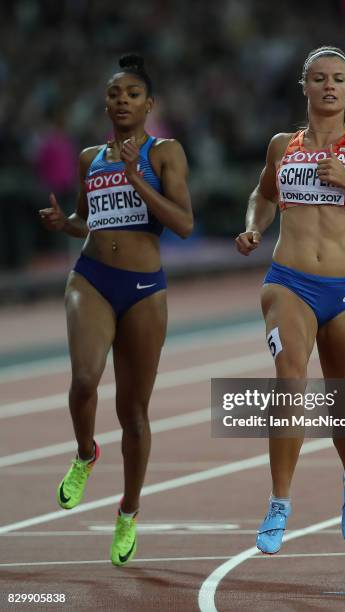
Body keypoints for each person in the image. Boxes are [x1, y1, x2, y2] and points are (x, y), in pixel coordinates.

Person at [235, 46, 345, 554]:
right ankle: (279, 503)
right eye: (319, 78)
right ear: (304, 87)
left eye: (337, 79)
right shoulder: (282, 146)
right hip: (288, 281)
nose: (329, 86)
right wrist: (252, 228)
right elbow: (263, 195)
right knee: (290, 380)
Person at [39, 54, 193, 566]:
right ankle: (85, 453)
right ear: (105, 103)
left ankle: (128, 511)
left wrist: (138, 177)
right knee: (85, 378)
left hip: (145, 287)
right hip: (92, 277)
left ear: (149, 104)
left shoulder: (165, 152)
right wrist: (67, 225)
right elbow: (92, 219)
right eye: (113, 94)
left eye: (131, 94)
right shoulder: (89, 158)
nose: (121, 101)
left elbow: (184, 224)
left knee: (133, 412)